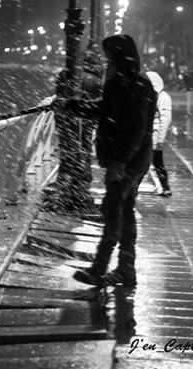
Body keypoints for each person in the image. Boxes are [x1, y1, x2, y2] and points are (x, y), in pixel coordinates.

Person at [57, 34, 156, 287]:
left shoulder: (128, 84)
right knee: (124, 212)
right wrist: (71, 105)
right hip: (136, 159)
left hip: (127, 162)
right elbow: (105, 109)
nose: (106, 59)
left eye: (109, 54)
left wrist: (120, 163)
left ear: (117, 56)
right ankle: (124, 269)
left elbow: (134, 127)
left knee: (113, 213)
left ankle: (100, 269)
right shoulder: (134, 82)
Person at [146, 71, 172, 197]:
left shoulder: (163, 97)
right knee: (147, 162)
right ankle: (164, 187)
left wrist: (161, 139)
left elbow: (165, 119)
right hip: (147, 135)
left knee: (156, 162)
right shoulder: (150, 96)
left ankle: (165, 187)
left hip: (155, 137)